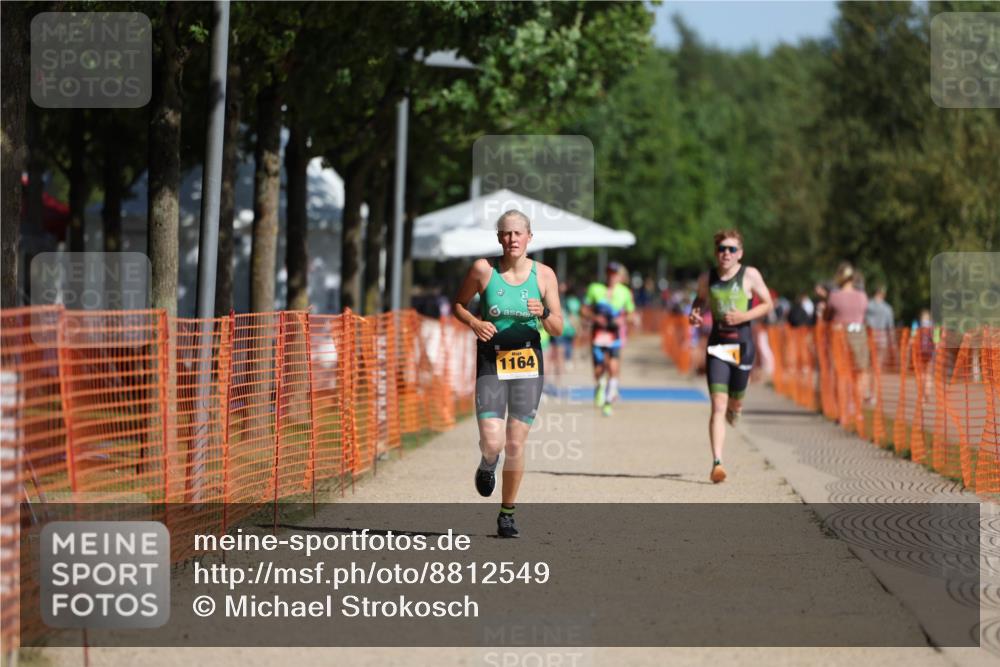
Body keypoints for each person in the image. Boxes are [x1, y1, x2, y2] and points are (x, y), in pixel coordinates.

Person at [453, 210, 563, 538]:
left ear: (530, 237)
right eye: (506, 233)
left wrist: (543, 312)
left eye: (518, 233)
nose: (512, 239)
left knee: (515, 443)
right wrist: (474, 322)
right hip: (491, 361)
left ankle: (507, 513)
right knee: (493, 442)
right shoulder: (482, 270)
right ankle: (488, 463)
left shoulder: (544, 276)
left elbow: (558, 327)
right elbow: (458, 305)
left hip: (528, 362)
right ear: (498, 237)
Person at [689, 230, 773, 483]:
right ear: (716, 252)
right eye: (722, 249)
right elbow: (700, 300)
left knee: (735, 403)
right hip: (717, 347)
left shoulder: (750, 275)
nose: (726, 253)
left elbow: (768, 303)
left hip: (742, 346)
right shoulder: (708, 277)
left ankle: (736, 408)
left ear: (740, 253)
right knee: (718, 405)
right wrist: (694, 313)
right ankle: (717, 463)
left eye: (732, 249)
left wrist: (743, 317)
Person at [582, 262, 637, 417]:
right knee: (599, 369)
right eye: (609, 273)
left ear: (620, 276)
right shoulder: (595, 289)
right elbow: (583, 309)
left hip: (614, 335)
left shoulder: (625, 292)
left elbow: (631, 314)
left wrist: (623, 320)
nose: (612, 276)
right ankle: (600, 384)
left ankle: (608, 401)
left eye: (615, 273)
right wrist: (594, 317)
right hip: (598, 334)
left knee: (613, 368)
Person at [824, 262, 870, 401]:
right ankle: (858, 401)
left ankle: (844, 406)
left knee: (841, 371)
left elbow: (827, 316)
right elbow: (864, 314)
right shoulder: (862, 296)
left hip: (840, 336)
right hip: (859, 334)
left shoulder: (834, 296)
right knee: (861, 370)